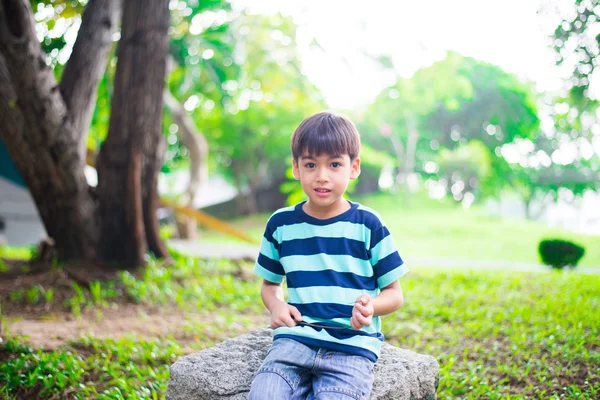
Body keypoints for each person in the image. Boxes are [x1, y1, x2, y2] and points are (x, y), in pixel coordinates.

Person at [248, 111, 408, 399]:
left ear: (353, 167)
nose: (322, 176)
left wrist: (371, 307)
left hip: (352, 347)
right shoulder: (281, 225)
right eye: (311, 164)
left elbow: (394, 293)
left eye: (334, 164)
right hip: (293, 342)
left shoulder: (368, 224)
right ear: (296, 168)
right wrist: (276, 307)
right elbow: (270, 285)